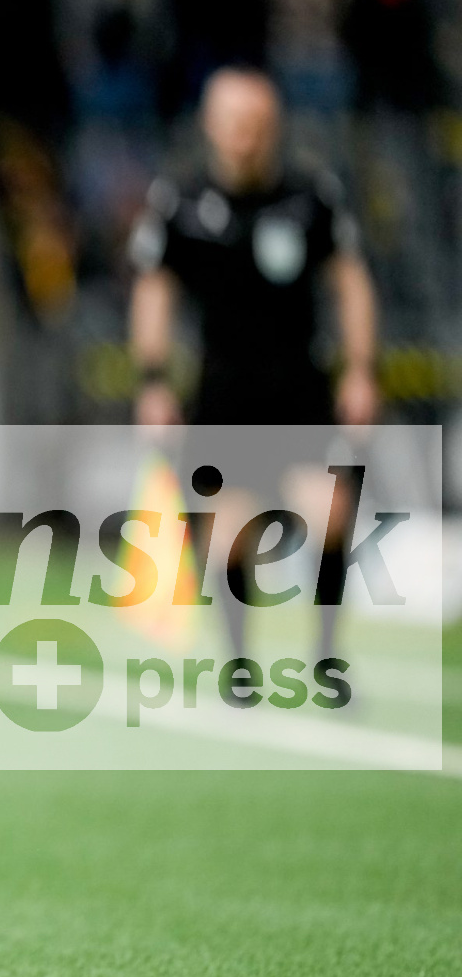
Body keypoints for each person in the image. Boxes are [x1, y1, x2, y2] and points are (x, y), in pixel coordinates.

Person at [127, 66, 378, 661]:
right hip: (224, 393)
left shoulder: (310, 197)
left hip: (299, 389)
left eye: (258, 123)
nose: (246, 135)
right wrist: (153, 381)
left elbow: (351, 282)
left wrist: (361, 369)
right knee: (226, 536)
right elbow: (153, 290)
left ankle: (326, 656)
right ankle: (239, 664)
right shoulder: (180, 202)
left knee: (330, 516)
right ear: (210, 125)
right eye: (235, 122)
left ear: (276, 126)